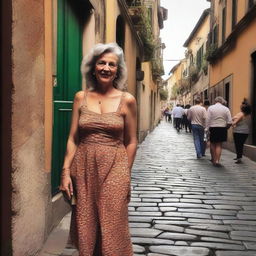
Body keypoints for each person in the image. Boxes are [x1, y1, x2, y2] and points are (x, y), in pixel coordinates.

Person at [60, 43, 137, 255]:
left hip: (115, 167)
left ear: (117, 70)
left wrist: (125, 172)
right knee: (86, 221)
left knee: (113, 221)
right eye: (101, 63)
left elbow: (131, 140)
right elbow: (73, 138)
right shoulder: (80, 97)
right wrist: (65, 172)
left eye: (112, 64)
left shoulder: (127, 100)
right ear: (93, 67)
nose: (106, 68)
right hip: (83, 167)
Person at [206, 96, 232, 167]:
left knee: (212, 143)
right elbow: (230, 121)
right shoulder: (226, 109)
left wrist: (207, 128)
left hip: (213, 127)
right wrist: (226, 128)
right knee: (219, 145)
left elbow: (207, 119)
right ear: (222, 101)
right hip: (222, 128)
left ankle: (213, 159)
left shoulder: (210, 108)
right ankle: (217, 160)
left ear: (215, 101)